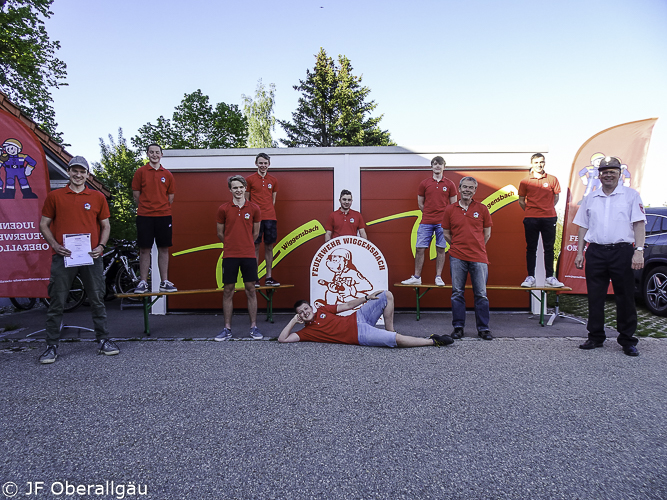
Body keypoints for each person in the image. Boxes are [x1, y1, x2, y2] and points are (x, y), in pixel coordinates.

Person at [37, 156, 119, 364]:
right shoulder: (55, 196)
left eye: (82, 171)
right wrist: (55, 245)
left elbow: (106, 226)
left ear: (87, 175)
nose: (78, 175)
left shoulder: (97, 197)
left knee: (97, 299)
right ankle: (51, 346)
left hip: (91, 257)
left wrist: (100, 246)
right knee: (57, 301)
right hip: (63, 257)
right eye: (75, 170)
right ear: (68, 172)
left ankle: (103, 340)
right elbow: (44, 224)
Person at [573, 157, 645, 356]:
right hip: (595, 251)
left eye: (612, 171)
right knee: (595, 297)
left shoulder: (631, 196)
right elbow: (583, 227)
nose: (608, 174)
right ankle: (595, 337)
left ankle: (628, 340)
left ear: (619, 174)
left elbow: (639, 224)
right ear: (599, 175)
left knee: (625, 296)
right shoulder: (591, 198)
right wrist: (580, 252)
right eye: (605, 171)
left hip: (622, 251)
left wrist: (639, 251)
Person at [278, 290, 453, 347]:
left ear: (311, 307)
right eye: (300, 312)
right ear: (299, 316)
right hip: (359, 334)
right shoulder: (306, 332)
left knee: (386, 295)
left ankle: (390, 329)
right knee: (396, 341)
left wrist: (366, 299)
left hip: (358, 317)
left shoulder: (322, 310)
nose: (305, 313)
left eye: (306, 308)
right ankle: (432, 341)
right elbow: (282, 339)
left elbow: (346, 306)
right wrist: (293, 321)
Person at [442, 176, 493, 340]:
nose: (467, 190)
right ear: (459, 188)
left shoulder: (483, 209)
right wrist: (457, 245)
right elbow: (446, 233)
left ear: (475, 190)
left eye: (471, 187)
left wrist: (477, 246)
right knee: (457, 293)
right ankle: (458, 328)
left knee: (481, 294)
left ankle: (483, 329)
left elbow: (487, 233)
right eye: (465, 187)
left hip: (479, 258)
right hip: (457, 256)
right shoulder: (450, 209)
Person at [215, 175, 263, 340]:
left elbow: (255, 233)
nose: (238, 190)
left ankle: (254, 328)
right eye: (235, 187)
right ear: (230, 189)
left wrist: (245, 243)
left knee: (251, 290)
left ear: (245, 188)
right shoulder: (223, 209)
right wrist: (231, 244)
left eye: (241, 187)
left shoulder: (254, 208)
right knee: (228, 291)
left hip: (249, 255)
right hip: (230, 255)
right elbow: (220, 233)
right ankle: (227, 329)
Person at [401, 156, 457, 286]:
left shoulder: (450, 184)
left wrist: (445, 218)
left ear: (444, 167)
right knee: (420, 248)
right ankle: (416, 277)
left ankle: (438, 277)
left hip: (442, 223)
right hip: (426, 221)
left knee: (441, 248)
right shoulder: (424, 183)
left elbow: (453, 205)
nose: (437, 166)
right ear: (431, 166)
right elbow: (420, 203)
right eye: (435, 164)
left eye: (440, 164)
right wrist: (428, 213)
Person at [132, 143, 176, 293]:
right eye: (152, 152)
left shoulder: (168, 174)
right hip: (145, 216)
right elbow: (136, 195)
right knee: (144, 249)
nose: (154, 155)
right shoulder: (140, 172)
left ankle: (165, 281)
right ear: (147, 154)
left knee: (164, 248)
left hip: (164, 216)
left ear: (161, 155)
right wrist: (147, 206)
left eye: (157, 152)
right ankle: (143, 282)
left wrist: (159, 207)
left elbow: (170, 197)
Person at [518, 153, 564, 288]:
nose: (539, 165)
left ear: (545, 163)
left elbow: (556, 197)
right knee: (531, 248)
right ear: (532, 164)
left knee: (549, 248)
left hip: (549, 218)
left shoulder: (552, 179)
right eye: (536, 162)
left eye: (541, 162)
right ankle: (530, 276)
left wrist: (547, 208)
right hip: (531, 217)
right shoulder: (525, 181)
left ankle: (550, 277)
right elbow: (521, 200)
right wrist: (531, 210)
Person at [246, 152, 280, 286]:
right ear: (256, 164)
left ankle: (269, 277)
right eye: (260, 163)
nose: (263, 165)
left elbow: (273, 200)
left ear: (269, 164)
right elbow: (247, 200)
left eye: (265, 163)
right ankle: (255, 278)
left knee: (269, 247)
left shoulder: (274, 180)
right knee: (254, 247)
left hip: (270, 217)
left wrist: (268, 211)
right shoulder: (249, 179)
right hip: (255, 219)